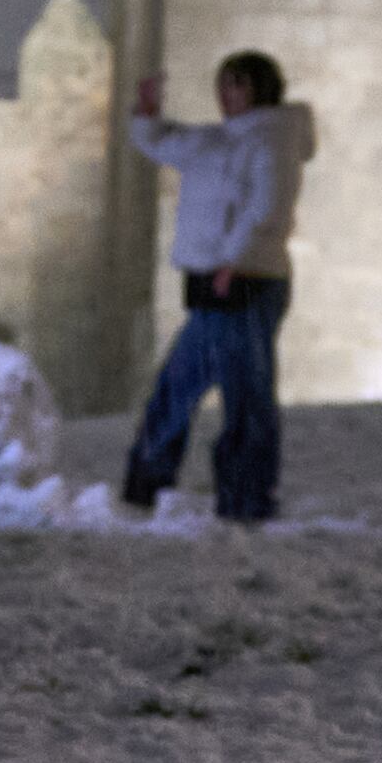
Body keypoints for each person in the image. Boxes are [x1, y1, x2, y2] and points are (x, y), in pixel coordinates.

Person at [122, 49, 318, 523]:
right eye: (223, 84)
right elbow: (168, 144)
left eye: (236, 85)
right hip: (213, 286)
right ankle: (147, 487)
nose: (224, 94)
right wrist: (147, 114)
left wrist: (235, 261)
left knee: (245, 395)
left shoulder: (271, 140)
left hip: (247, 284)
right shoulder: (220, 140)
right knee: (176, 386)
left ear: (259, 89)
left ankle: (247, 499)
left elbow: (268, 208)